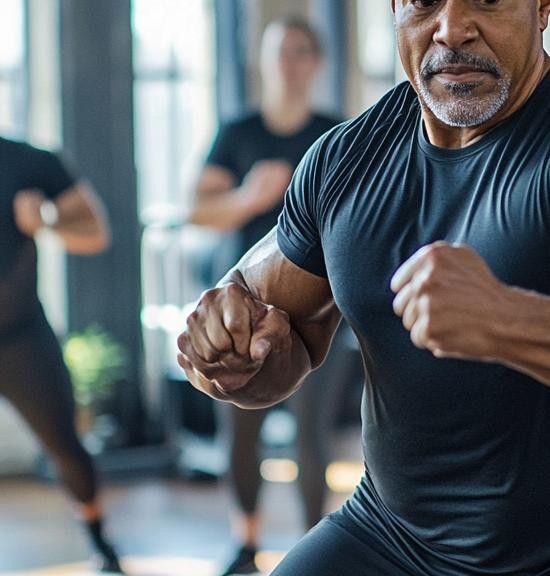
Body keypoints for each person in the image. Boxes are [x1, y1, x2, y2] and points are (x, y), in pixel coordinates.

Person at [178, 1, 550, 574]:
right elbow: (280, 344)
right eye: (425, 0)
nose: (453, 27)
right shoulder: (344, 162)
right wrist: (229, 355)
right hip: (394, 541)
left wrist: (508, 321)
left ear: (542, 6)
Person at [187, 17, 346, 575]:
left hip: (318, 311)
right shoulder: (238, 132)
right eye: (281, 53)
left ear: (316, 64)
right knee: (240, 430)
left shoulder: (336, 134)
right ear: (264, 61)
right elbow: (198, 210)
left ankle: (312, 549)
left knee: (310, 436)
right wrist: (249, 195)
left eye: (301, 53)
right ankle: (247, 546)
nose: (290, 64)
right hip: (242, 312)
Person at [0, 136, 121, 573]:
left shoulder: (30, 161)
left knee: (67, 449)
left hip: (20, 338)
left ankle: (100, 545)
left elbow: (96, 232)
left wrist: (46, 223)